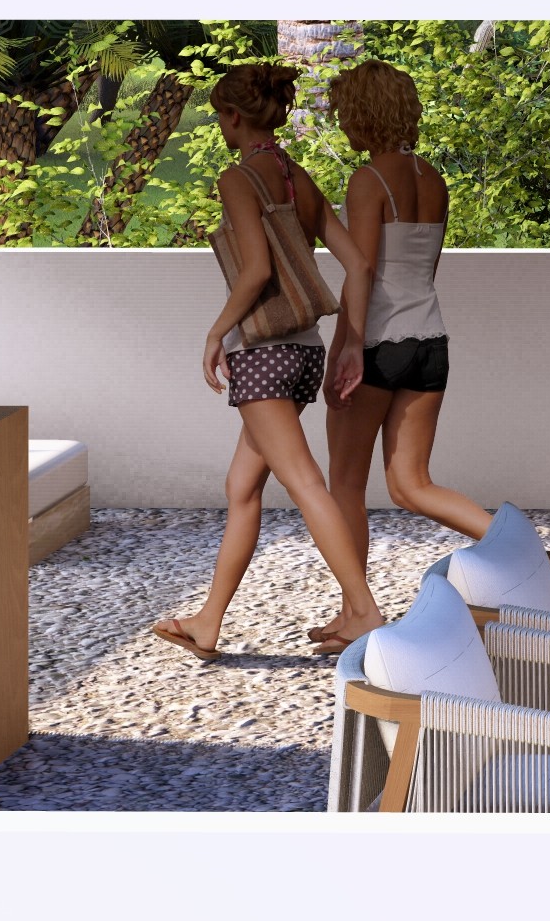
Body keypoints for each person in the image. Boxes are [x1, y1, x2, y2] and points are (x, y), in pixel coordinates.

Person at [154, 57, 381, 658]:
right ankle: (208, 621)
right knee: (242, 486)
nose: (220, 126)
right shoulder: (297, 177)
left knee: (304, 481)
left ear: (233, 116)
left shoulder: (238, 179)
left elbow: (255, 270)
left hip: (262, 354)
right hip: (304, 353)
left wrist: (215, 333)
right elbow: (359, 265)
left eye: (219, 117)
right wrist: (351, 343)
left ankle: (364, 610)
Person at [317, 58, 482, 534]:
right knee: (412, 486)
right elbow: (427, 270)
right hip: (430, 342)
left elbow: (362, 271)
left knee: (345, 485)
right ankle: (520, 545)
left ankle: (354, 590)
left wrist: (343, 350)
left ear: (365, 113)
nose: (342, 124)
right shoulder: (435, 180)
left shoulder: (368, 180)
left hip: (377, 343)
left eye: (345, 113)